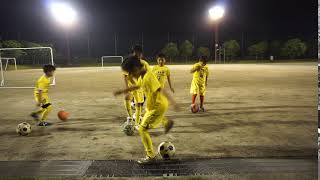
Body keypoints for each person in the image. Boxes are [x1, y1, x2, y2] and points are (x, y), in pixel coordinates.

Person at [114, 56, 179, 164]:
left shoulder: (148, 76)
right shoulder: (142, 76)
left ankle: (151, 156)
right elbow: (137, 86)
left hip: (158, 105)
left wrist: (174, 103)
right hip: (153, 106)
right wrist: (122, 91)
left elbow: (161, 89)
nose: (129, 76)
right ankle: (166, 121)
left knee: (142, 130)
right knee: (146, 121)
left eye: (130, 73)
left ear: (135, 69)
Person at [123, 44, 149, 127]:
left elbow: (148, 76)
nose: (137, 55)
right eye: (135, 54)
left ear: (141, 54)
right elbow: (125, 76)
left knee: (139, 105)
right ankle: (130, 117)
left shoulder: (145, 64)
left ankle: (137, 123)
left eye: (139, 54)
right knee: (126, 99)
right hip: (131, 87)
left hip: (140, 88)